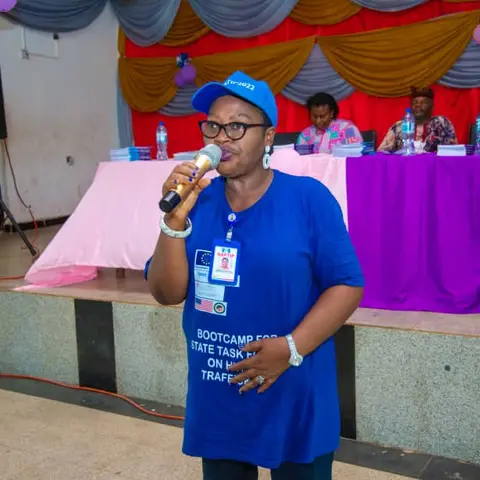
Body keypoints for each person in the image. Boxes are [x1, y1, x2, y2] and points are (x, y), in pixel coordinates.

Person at [145, 70, 364, 480]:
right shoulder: (197, 202)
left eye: (237, 126)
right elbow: (166, 292)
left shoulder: (308, 199)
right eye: (213, 125)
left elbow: (347, 284)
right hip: (220, 393)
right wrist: (174, 222)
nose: (221, 138)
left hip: (294, 389)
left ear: (268, 138)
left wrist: (291, 348)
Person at [378, 87, 457, 153]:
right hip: (405, 168)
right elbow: (381, 151)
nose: (418, 105)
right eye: (414, 102)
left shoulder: (442, 123)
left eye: (423, 102)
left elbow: (455, 152)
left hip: (434, 168)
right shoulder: (398, 126)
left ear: (432, 106)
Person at [296, 92, 363, 153]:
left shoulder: (347, 129)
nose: (318, 121)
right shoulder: (305, 135)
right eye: (314, 116)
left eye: (322, 116)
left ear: (331, 113)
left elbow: (356, 156)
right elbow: (300, 160)